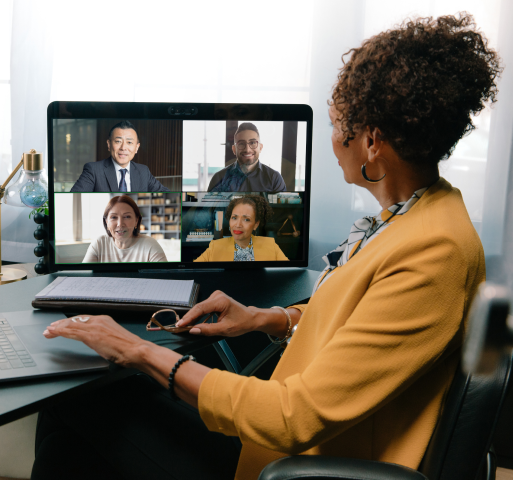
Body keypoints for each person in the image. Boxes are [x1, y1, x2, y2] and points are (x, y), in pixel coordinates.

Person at [32, 13, 501, 480]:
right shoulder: (415, 218)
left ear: (372, 142)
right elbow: (362, 325)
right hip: (290, 443)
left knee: (76, 406)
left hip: (299, 464)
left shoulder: (433, 252)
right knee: (75, 422)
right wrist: (267, 318)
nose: (334, 141)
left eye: (338, 126)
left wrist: (138, 350)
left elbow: (290, 418)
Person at [70, 120, 169, 192]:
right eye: (118, 141)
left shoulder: (143, 171)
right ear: (109, 145)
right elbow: (73, 199)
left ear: (137, 148)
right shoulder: (93, 170)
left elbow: (166, 194)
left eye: (129, 142)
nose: (123, 147)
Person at [194, 195, 288, 262]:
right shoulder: (215, 247)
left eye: (246, 219)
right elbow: (193, 271)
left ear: (256, 224)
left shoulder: (270, 245)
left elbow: (289, 273)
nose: (238, 225)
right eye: (234, 218)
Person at [83, 195, 167, 263]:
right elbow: (83, 276)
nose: (120, 224)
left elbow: (165, 278)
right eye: (114, 217)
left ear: (136, 221)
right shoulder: (99, 244)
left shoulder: (150, 245)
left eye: (127, 216)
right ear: (107, 222)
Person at [207, 123, 287, 193]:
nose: (247, 149)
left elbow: (281, 210)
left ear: (260, 147)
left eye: (252, 143)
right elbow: (208, 209)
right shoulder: (219, 178)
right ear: (234, 149)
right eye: (241, 143)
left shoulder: (274, 178)